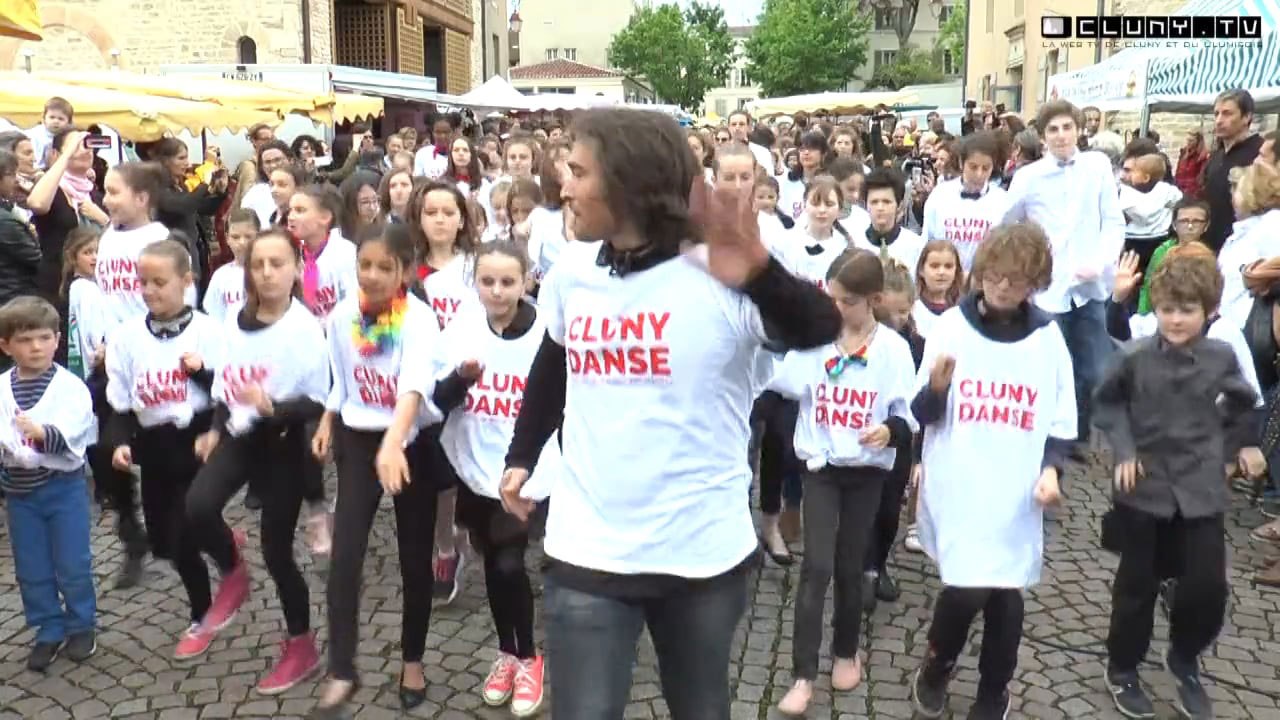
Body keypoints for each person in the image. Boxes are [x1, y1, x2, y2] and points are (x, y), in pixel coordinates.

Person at [477, 107, 841, 719]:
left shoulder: (721, 278)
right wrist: (521, 455)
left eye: (577, 171)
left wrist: (757, 271)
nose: (563, 186)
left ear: (630, 181)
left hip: (697, 554)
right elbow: (554, 363)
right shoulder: (572, 273)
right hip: (587, 547)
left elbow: (819, 326)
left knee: (699, 708)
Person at [910, 222, 1074, 720]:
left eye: (1018, 280)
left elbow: (1062, 418)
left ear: (1035, 284)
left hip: (1014, 487)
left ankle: (993, 689)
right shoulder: (951, 329)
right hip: (961, 480)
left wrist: (1053, 470)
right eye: (996, 276)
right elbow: (922, 414)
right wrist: (936, 389)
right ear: (980, 273)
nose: (1004, 287)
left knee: (1006, 592)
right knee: (965, 587)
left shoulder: (1047, 337)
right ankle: (938, 663)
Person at [1094, 253, 1262, 720]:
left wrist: (1233, 447)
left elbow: (1246, 403)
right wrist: (1125, 451)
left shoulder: (1221, 356)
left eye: (1187, 310)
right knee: (1137, 584)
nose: (1175, 319)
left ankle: (1184, 656)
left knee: (1207, 587)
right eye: (1167, 309)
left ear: (1208, 310)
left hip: (1200, 487)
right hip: (1145, 487)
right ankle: (1123, 665)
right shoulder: (1135, 356)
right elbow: (1106, 406)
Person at [770, 251, 917, 715]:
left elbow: (907, 413)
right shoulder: (817, 342)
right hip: (822, 469)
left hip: (867, 472)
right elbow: (776, 379)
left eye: (846, 301)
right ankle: (802, 674)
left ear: (873, 300)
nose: (835, 308)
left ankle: (846, 649)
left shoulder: (892, 350)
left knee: (851, 565)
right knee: (815, 567)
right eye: (830, 298)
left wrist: (889, 431)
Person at [185, 228, 330, 694]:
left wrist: (275, 408)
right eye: (258, 264)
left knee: (277, 552)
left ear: (295, 270)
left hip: (285, 446)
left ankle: (301, 643)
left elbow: (323, 402)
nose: (267, 273)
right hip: (241, 436)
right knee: (198, 507)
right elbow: (227, 383)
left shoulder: (306, 329)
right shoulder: (234, 317)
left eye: (277, 263)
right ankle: (232, 570)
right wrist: (213, 429)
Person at [309, 224, 442, 718]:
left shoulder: (420, 321)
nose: (373, 275)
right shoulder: (344, 314)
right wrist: (327, 419)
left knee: (413, 556)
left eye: (385, 267)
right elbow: (339, 380)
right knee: (345, 554)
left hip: (410, 444)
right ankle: (342, 668)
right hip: (359, 442)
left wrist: (395, 443)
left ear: (404, 271)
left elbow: (413, 387)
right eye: (365, 265)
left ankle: (412, 659)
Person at [103, 239, 225, 659]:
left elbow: (227, 395)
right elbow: (120, 402)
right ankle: (216, 558)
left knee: (187, 528)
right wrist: (119, 442)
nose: (150, 291)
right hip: (153, 446)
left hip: (196, 440)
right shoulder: (126, 338)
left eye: (161, 282)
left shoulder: (209, 331)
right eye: (144, 282)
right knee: (166, 540)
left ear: (186, 281)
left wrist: (202, 373)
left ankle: (204, 609)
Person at [1003, 100, 1123, 461]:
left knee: (1095, 369)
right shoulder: (1029, 177)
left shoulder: (1097, 166)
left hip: (1090, 288)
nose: (1061, 135)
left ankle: (1076, 435)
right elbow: (1006, 222)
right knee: (1051, 366)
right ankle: (1046, 437)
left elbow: (1113, 222)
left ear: (1078, 130)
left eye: (1066, 127)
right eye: (1052, 129)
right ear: (1042, 137)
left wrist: (1100, 263)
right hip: (1048, 289)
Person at [0, 295, 97, 672]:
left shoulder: (69, 387)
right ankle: (48, 627)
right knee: (32, 565)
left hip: (62, 488)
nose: (36, 347)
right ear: (6, 345)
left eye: (43, 338)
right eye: (25, 340)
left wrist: (43, 433)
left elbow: (77, 430)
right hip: (20, 493)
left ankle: (81, 623)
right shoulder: (4, 389)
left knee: (72, 561)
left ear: (57, 339)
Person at [921, 131, 1010, 273]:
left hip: (983, 282)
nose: (979, 174)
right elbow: (927, 242)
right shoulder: (940, 195)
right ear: (962, 163)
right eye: (973, 167)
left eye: (986, 168)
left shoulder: (1002, 201)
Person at [1201, 90, 1263, 253]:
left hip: (1246, 247)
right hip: (1211, 244)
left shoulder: (1261, 154)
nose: (1219, 120)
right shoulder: (1216, 157)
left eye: (1227, 114)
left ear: (1246, 117)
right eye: (1217, 114)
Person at [202, 209, 257, 324]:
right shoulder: (221, 276)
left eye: (248, 236)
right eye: (236, 237)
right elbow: (214, 317)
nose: (242, 242)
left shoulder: (267, 272)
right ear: (227, 239)